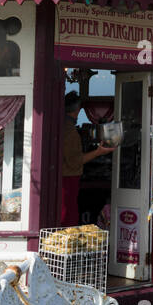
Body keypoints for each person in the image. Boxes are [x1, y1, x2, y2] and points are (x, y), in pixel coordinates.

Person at [59, 91, 114, 225]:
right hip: (68, 177)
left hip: (65, 177)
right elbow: (75, 161)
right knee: (68, 212)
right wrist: (98, 152)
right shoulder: (69, 131)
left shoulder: (63, 126)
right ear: (77, 110)